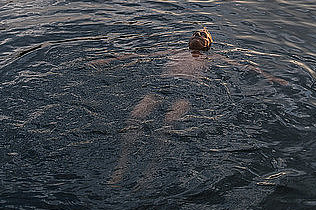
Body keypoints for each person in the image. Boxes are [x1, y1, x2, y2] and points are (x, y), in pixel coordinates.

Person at [89, 27, 287, 186]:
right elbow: (137, 57)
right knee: (134, 119)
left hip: (186, 91)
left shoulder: (213, 58)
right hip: (160, 87)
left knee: (166, 126)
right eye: (195, 34)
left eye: (202, 34)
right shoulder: (174, 52)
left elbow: (244, 66)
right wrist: (107, 60)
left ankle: (150, 170)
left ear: (209, 43)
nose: (198, 35)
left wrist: (272, 77)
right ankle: (121, 167)